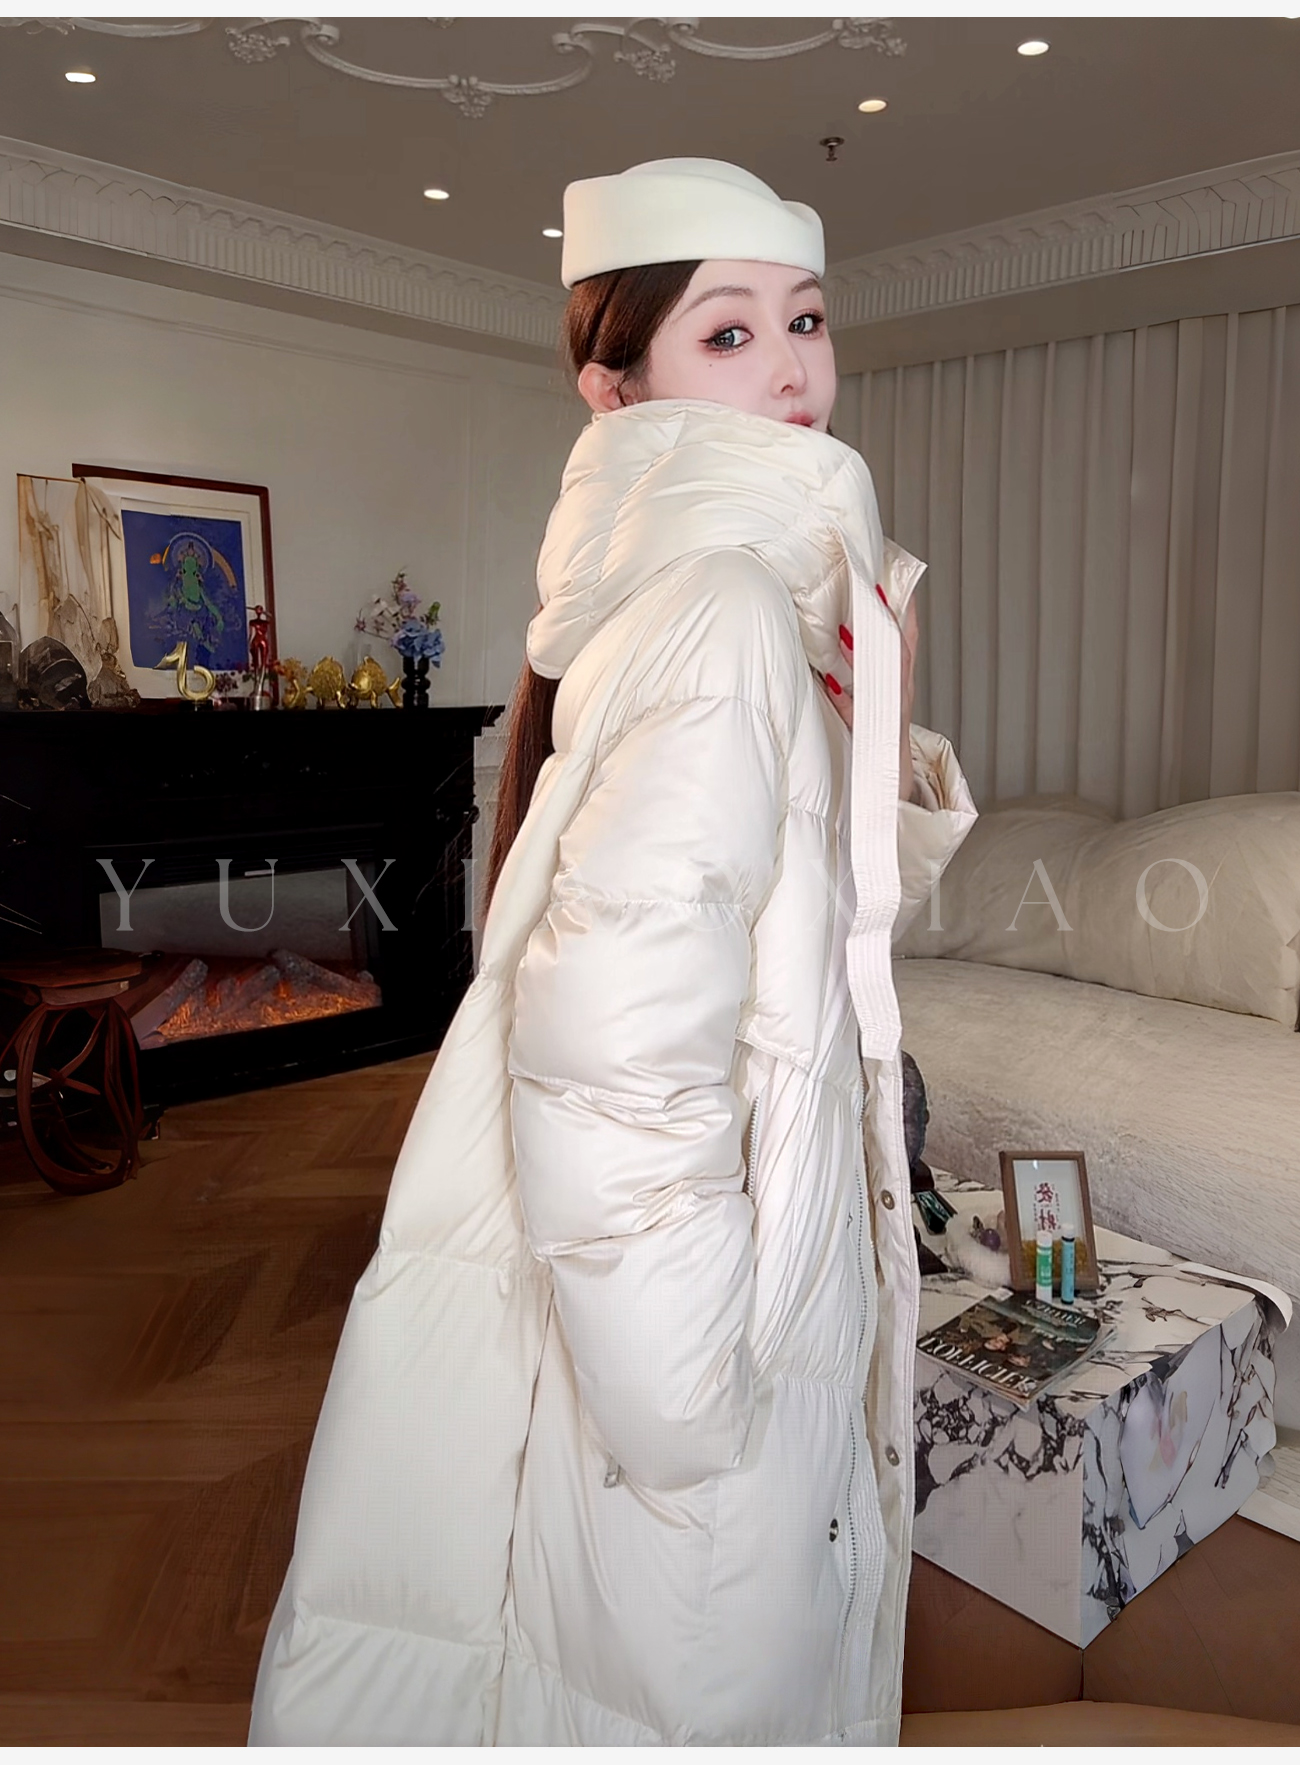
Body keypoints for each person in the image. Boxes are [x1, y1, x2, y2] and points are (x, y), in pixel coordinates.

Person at [249, 158, 976, 1747]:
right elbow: (611, 1064)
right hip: (697, 1401)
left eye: (806, 320)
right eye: (728, 332)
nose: (792, 370)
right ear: (614, 383)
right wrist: (699, 1413)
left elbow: (804, 954)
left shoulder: (720, 606)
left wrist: (876, 720)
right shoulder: (722, 611)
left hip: (712, 1350)